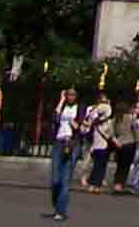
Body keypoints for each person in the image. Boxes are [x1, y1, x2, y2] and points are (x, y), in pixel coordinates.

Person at [51, 87, 80, 221]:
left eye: (73, 95)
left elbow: (80, 127)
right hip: (59, 142)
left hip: (71, 143)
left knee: (65, 179)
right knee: (55, 179)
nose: (70, 97)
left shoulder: (79, 108)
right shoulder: (62, 107)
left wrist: (73, 123)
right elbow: (55, 118)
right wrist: (61, 100)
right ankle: (56, 204)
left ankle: (60, 211)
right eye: (68, 94)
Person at [83, 92, 114, 190]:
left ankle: (96, 182)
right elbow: (89, 119)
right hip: (93, 139)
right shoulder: (93, 110)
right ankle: (89, 179)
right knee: (92, 161)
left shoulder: (107, 119)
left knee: (100, 163)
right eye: (103, 101)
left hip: (102, 143)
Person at [110, 99, 138, 198]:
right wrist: (138, 140)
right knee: (125, 166)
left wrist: (116, 141)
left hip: (119, 144)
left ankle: (116, 183)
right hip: (130, 143)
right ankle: (120, 184)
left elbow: (111, 132)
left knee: (119, 165)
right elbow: (135, 130)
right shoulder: (131, 118)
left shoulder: (115, 119)